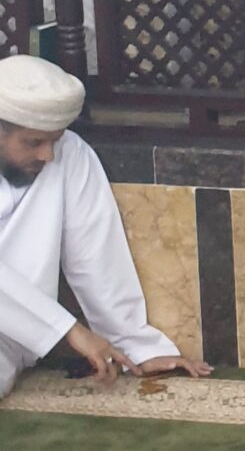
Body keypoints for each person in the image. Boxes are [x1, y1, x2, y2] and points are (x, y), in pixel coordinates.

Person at [0, 53, 209, 396]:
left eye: (54, 140)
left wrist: (136, 347)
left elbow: (94, 253)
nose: (47, 156)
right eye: (33, 142)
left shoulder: (70, 154)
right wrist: (69, 330)